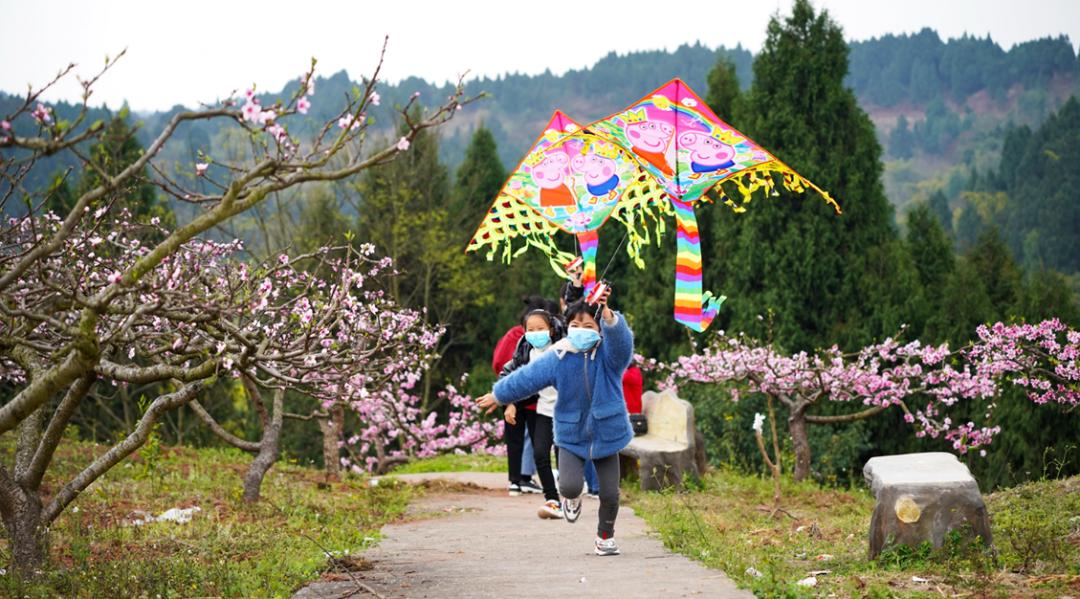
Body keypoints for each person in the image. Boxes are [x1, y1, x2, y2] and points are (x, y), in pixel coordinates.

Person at [478, 292, 634, 556]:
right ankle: (571, 500)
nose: (581, 331)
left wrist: (608, 315)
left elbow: (622, 344)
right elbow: (526, 378)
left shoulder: (609, 356)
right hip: (571, 432)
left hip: (607, 432)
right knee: (570, 486)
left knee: (610, 493)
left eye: (588, 326)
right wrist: (499, 394)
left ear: (599, 329)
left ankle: (605, 536)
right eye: (575, 325)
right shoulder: (559, 355)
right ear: (566, 327)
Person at [499, 304, 565, 519]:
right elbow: (511, 378)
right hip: (544, 412)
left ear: (552, 330)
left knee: (565, 456)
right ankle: (552, 499)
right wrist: (510, 403)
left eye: (540, 329)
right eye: (531, 330)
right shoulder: (525, 353)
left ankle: (570, 496)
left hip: (567, 412)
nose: (536, 334)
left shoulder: (563, 349)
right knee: (540, 454)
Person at [492, 296, 544, 496]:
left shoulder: (512, 335)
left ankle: (517, 480)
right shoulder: (520, 338)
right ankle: (522, 478)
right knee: (534, 438)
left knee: (515, 439)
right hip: (528, 397)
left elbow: (498, 363)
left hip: (512, 393)